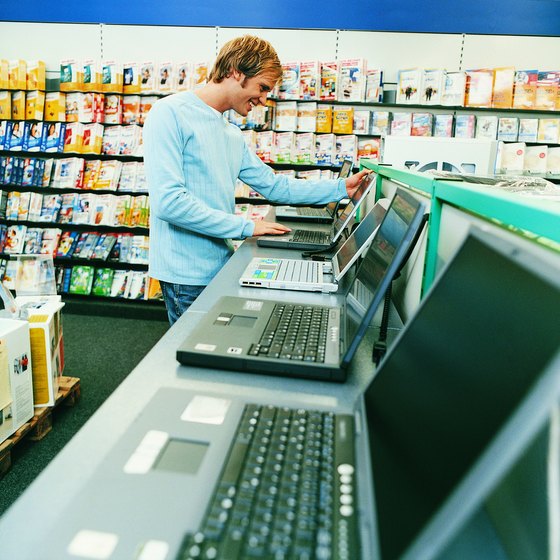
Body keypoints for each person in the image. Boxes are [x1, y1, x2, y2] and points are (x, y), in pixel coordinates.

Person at [143, 35, 369, 325]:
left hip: (219, 265)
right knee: (197, 359)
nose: (264, 99)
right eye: (262, 87)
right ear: (237, 71)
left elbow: (275, 186)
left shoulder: (230, 134)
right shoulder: (169, 114)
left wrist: (341, 188)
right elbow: (169, 203)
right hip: (186, 276)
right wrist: (247, 226)